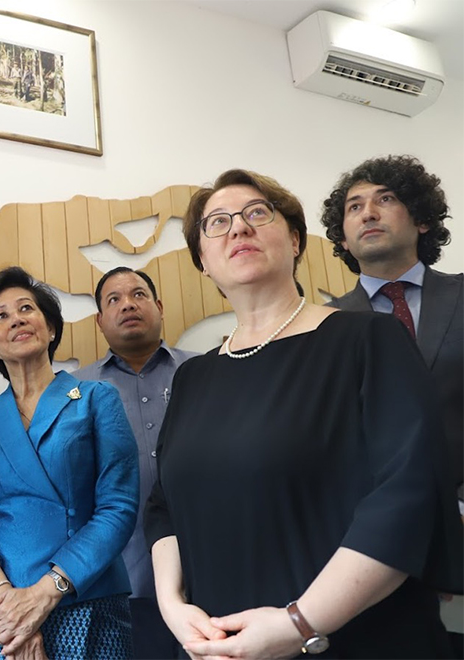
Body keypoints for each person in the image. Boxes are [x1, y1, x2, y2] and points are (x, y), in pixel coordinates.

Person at [143, 169, 462, 658]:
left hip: (353, 639)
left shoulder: (369, 340)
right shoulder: (193, 377)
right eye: (217, 223)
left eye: (256, 213)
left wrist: (300, 623)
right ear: (203, 262)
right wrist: (172, 606)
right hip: (218, 645)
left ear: (294, 240)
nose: (238, 228)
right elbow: (163, 508)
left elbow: (409, 494)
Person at [0, 266, 139, 660]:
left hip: (84, 596)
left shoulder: (98, 398)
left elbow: (118, 508)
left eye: (26, 308)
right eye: (2, 316)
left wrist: (44, 594)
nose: (17, 318)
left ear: (50, 329)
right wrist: (9, 603)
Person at [321, 155, 462, 500]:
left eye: (386, 199)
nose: (368, 213)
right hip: (369, 528)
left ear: (422, 220)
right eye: (354, 207)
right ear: (343, 240)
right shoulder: (324, 324)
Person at [74, 267, 196, 658]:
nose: (128, 304)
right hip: (122, 579)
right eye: (114, 299)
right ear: (99, 321)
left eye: (138, 294)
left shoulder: (206, 372)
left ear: (159, 306)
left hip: (211, 568)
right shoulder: (75, 393)